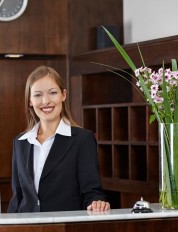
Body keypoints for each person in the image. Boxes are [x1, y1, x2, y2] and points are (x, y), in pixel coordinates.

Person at [7, 66, 110, 213]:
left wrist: (97, 203)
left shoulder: (83, 140)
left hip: (65, 227)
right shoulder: (20, 142)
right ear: (30, 101)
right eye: (37, 95)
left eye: (53, 93)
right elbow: (18, 197)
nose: (46, 101)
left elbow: (91, 191)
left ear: (63, 95)